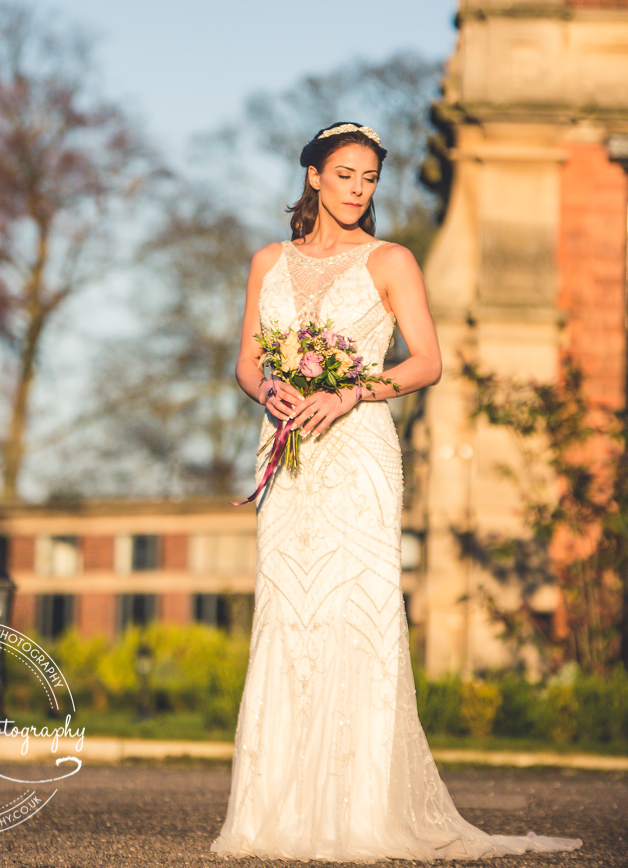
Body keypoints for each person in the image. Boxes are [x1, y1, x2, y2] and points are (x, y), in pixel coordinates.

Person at [210, 122, 582, 862]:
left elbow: (428, 362)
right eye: (345, 174)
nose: (358, 189)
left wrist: (352, 392)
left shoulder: (391, 261)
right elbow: (248, 361)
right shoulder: (268, 262)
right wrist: (267, 389)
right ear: (314, 176)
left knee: (355, 613)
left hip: (358, 453)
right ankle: (277, 813)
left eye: (370, 178)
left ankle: (354, 815)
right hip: (288, 454)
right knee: (288, 613)